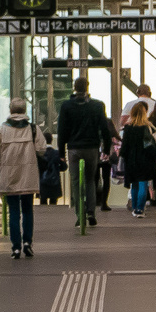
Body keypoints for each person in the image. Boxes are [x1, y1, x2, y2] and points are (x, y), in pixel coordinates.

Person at [0, 100, 45, 259]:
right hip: (28, 176)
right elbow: (41, 149)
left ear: (10, 110)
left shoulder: (2, 129)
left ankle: (15, 248)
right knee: (27, 210)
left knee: (13, 212)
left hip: (9, 176)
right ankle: (27, 242)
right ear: (24, 110)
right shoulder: (33, 128)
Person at [55, 78, 109, 229]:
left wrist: (60, 152)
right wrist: (105, 149)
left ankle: (80, 215)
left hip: (74, 148)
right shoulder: (98, 106)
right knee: (90, 180)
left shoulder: (66, 106)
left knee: (75, 182)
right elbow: (105, 129)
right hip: (92, 148)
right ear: (87, 87)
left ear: (74, 87)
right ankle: (91, 212)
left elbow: (62, 130)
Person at [119, 105, 156, 218]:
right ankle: (140, 209)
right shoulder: (146, 127)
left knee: (134, 185)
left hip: (131, 160)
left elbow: (124, 147)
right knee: (143, 184)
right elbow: (150, 146)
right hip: (145, 159)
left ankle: (135, 208)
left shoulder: (128, 128)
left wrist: (122, 158)